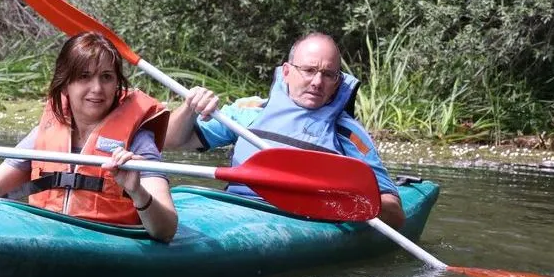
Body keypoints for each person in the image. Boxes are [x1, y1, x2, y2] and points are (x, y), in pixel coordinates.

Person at [165, 32, 405, 228]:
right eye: (309, 70)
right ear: (287, 71)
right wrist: (189, 108)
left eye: (328, 74)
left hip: (300, 222)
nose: (317, 82)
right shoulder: (249, 111)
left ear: (337, 83)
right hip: (232, 210)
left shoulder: (347, 133)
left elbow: (393, 211)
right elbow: (172, 141)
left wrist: (345, 195)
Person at [0, 32, 178, 242]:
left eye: (107, 77)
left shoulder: (138, 142)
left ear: (117, 86)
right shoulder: (41, 137)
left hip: (110, 242)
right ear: (65, 85)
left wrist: (136, 190)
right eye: (84, 76)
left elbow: (166, 230)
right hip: (47, 239)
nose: (97, 88)